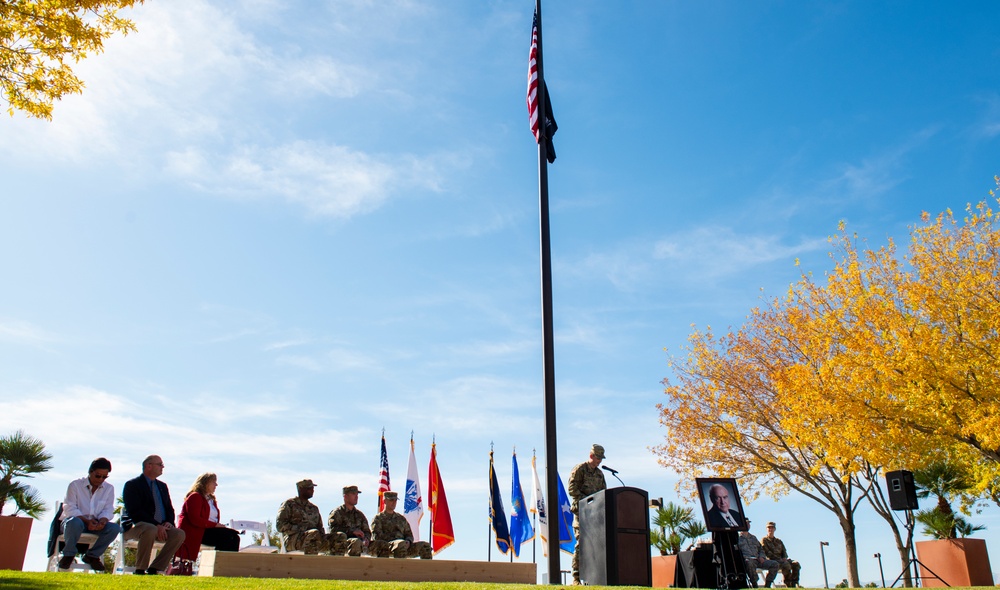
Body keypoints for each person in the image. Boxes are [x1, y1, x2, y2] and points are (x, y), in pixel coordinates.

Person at [121, 455, 186, 575]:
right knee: (150, 529)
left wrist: (169, 523)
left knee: (179, 534)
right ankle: (140, 569)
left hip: (160, 528)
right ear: (148, 466)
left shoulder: (162, 486)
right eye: (160, 464)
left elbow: (169, 509)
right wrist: (156, 525)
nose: (163, 467)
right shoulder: (132, 485)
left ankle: (155, 568)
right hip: (136, 527)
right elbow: (135, 512)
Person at [57, 457, 122, 572]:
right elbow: (69, 508)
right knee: (74, 522)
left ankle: (92, 556)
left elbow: (108, 510)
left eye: (104, 476)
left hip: (96, 524)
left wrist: (103, 521)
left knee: (115, 528)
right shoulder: (75, 485)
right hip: (74, 524)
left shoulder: (109, 488)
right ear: (90, 472)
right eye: (98, 475)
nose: (101, 479)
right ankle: (68, 555)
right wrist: (86, 521)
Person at [177, 473, 241, 562]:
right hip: (197, 531)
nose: (216, 485)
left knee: (235, 537)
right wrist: (215, 525)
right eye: (214, 482)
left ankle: (228, 566)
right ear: (205, 483)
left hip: (208, 530)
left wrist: (217, 526)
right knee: (226, 536)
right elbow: (195, 519)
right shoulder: (195, 496)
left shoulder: (211, 500)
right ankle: (219, 565)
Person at [568, 443, 607, 585]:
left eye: (601, 458)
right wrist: (587, 502)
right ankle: (576, 578)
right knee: (581, 544)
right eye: (598, 458)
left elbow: (604, 493)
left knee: (596, 545)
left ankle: (595, 577)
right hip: (582, 514)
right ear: (591, 456)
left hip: (596, 516)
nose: (600, 461)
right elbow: (572, 489)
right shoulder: (580, 470)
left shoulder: (599, 474)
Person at [369, 491, 432, 559]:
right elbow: (377, 537)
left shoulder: (401, 518)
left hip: (404, 546)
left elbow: (409, 534)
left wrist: (408, 541)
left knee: (425, 546)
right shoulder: (378, 518)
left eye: (395, 500)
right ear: (385, 501)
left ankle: (427, 569)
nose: (394, 502)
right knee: (400, 544)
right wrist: (395, 540)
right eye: (391, 500)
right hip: (387, 547)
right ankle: (401, 568)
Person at [276, 479, 329, 554]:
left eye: (312, 488)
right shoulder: (289, 504)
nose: (312, 490)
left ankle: (337, 564)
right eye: (309, 488)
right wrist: (301, 528)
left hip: (315, 537)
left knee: (339, 538)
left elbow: (320, 528)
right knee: (314, 534)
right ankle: (309, 564)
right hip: (293, 540)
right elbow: (280, 525)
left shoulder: (314, 508)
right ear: (300, 489)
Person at [328, 485, 370, 556]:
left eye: (357, 495)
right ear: (345, 497)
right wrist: (352, 532)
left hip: (360, 542)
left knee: (381, 545)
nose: (356, 497)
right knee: (355, 542)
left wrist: (366, 539)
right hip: (342, 543)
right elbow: (333, 530)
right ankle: (352, 566)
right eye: (353, 494)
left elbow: (367, 531)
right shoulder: (337, 513)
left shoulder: (359, 515)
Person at [738, 519, 779, 588]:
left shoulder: (753, 538)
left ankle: (767, 585)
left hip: (758, 560)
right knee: (749, 563)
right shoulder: (737, 538)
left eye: (748, 523)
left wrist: (762, 557)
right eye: (746, 523)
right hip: (746, 560)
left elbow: (761, 549)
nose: (748, 525)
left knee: (774, 564)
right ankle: (755, 585)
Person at [762, 521, 801, 587]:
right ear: (766, 529)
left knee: (796, 564)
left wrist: (784, 557)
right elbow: (767, 552)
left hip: (781, 559)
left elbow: (784, 551)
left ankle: (794, 582)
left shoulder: (778, 541)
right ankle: (788, 584)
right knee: (786, 565)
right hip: (771, 560)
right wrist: (780, 559)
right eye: (769, 528)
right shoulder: (764, 540)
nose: (770, 529)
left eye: (772, 527)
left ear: (775, 529)